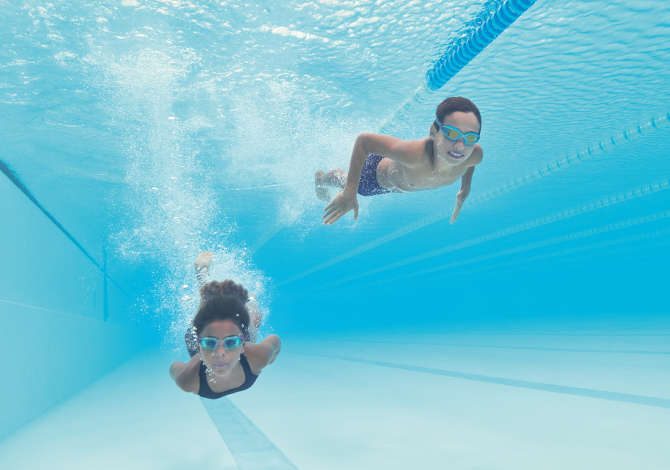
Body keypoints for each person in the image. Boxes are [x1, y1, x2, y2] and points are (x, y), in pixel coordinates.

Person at [315, 96, 483, 225]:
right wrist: (349, 192)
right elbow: (364, 141)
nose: (460, 147)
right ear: (434, 131)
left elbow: (470, 162)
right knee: (345, 180)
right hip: (373, 178)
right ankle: (322, 178)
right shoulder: (415, 155)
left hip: (397, 176)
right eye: (452, 134)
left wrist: (464, 189)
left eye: (470, 137)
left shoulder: (474, 154)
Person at [169, 253, 280, 399]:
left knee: (252, 319)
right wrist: (199, 356)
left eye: (231, 343)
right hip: (203, 347)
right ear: (199, 346)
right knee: (208, 313)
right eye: (209, 343)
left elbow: (275, 341)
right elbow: (173, 368)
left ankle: (244, 302)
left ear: (242, 346)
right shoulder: (188, 378)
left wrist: (269, 359)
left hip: (229, 342)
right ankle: (202, 274)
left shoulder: (259, 356)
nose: (220, 353)